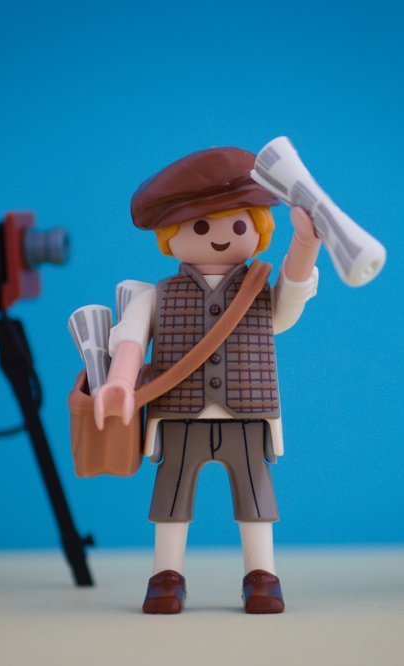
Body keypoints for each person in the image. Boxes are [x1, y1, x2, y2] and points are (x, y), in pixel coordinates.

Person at [94, 147, 321, 613]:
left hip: (247, 416)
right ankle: (165, 577)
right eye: (200, 227)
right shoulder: (157, 295)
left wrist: (305, 242)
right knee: (171, 499)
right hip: (179, 416)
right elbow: (130, 339)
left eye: (238, 226)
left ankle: (262, 577)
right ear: (170, 236)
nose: (220, 237)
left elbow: (291, 301)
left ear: (258, 230)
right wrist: (119, 382)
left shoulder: (260, 292)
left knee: (256, 500)